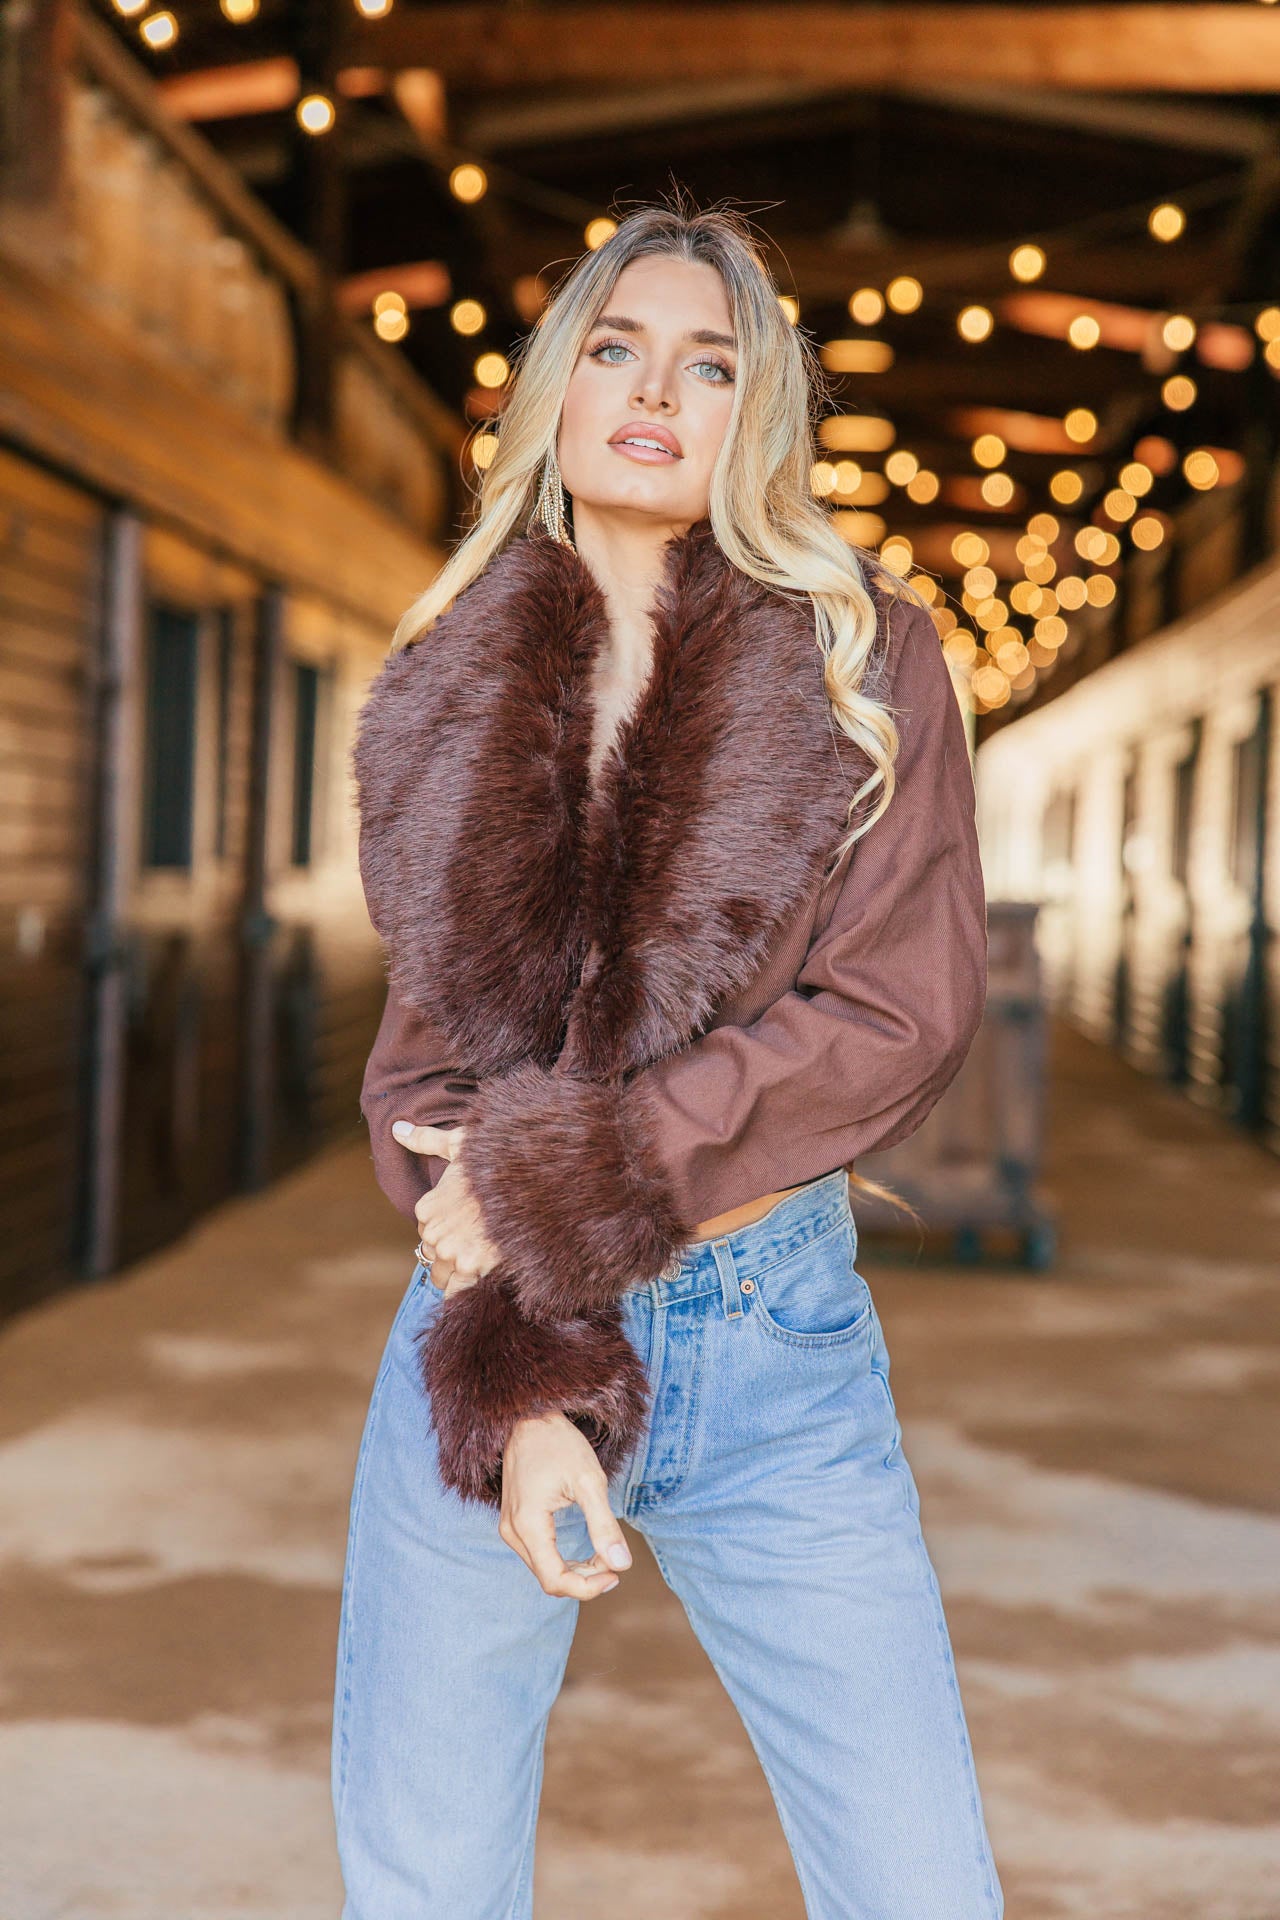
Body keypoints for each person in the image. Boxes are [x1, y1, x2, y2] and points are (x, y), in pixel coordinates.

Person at [332, 195, 1004, 1919]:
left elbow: (898, 1014)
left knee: (918, 1882)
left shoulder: (865, 655)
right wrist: (518, 1387)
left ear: (753, 412)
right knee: (425, 1878)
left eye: (709, 365)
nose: (655, 389)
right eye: (617, 347)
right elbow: (427, 1088)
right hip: (488, 1329)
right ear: (556, 386)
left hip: (775, 1338)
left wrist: (566, 1174)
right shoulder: (448, 676)